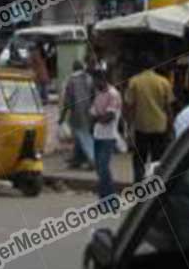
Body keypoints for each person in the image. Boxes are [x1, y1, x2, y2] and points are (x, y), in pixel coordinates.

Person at [124, 54, 174, 182]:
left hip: (141, 126)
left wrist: (129, 126)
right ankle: (156, 185)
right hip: (160, 126)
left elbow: (130, 106)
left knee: (139, 160)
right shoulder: (163, 82)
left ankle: (138, 186)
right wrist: (170, 125)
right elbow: (168, 107)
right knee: (157, 160)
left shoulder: (134, 81)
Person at [89, 69, 121, 199]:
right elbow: (92, 114)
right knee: (99, 168)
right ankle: (104, 197)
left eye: (96, 80)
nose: (94, 83)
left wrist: (97, 118)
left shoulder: (113, 94)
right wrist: (97, 118)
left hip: (109, 136)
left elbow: (109, 116)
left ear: (102, 79)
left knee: (103, 167)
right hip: (98, 135)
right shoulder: (97, 93)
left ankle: (110, 198)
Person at [59, 60, 94, 169]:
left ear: (73, 68)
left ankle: (93, 160)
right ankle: (77, 159)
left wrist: (62, 117)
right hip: (89, 112)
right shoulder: (89, 79)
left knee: (84, 137)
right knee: (80, 137)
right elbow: (93, 96)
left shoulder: (71, 81)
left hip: (77, 114)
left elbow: (67, 101)